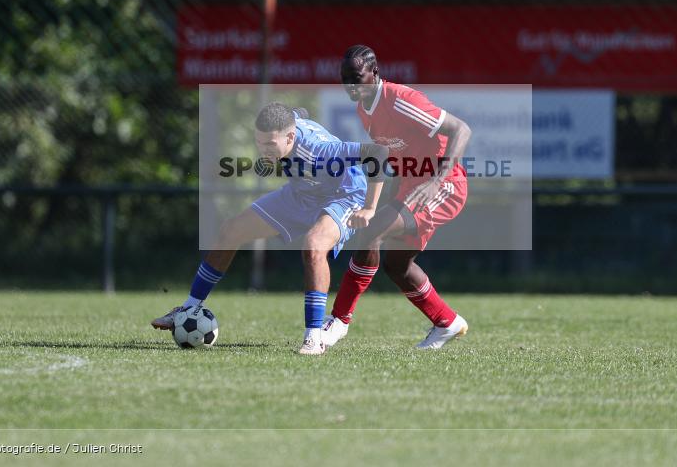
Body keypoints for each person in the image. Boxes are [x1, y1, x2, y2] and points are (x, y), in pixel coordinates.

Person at [151, 103, 388, 355]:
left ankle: (314, 337)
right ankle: (189, 307)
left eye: (270, 144)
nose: (263, 149)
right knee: (231, 230)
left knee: (314, 246)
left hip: (344, 195)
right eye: (259, 142)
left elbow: (378, 152)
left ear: (291, 136)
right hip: (301, 193)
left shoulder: (321, 150)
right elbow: (298, 112)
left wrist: (370, 208)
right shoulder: (287, 127)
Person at [323, 44, 472, 350]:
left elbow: (462, 129)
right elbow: (392, 160)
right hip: (410, 187)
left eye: (356, 76)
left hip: (443, 185)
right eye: (344, 78)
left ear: (374, 73)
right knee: (397, 266)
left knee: (372, 233)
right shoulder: (364, 109)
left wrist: (436, 181)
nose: (350, 85)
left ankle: (339, 321)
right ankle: (447, 322)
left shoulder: (400, 99)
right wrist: (376, 204)